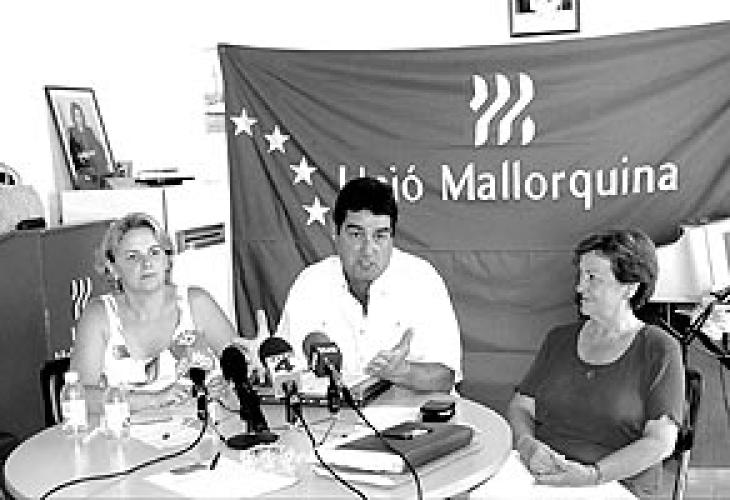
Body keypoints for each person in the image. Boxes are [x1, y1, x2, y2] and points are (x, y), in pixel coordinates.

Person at [508, 229, 685, 498]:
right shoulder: (559, 339)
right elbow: (521, 407)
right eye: (580, 276)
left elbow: (660, 442)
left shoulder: (659, 349)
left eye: (592, 278)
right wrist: (527, 445)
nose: (580, 287)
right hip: (545, 477)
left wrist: (593, 476)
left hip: (616, 483)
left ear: (630, 287)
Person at [276, 176, 462, 392]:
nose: (368, 250)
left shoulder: (422, 280)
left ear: (392, 237)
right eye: (356, 235)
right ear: (335, 231)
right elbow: (285, 371)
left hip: (409, 412)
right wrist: (261, 368)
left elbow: (445, 377)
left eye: (380, 236)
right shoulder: (311, 284)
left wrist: (404, 372)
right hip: (334, 413)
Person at [71, 212, 238, 411]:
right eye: (133, 256)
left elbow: (243, 368)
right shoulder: (99, 314)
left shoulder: (196, 302)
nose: (146, 263)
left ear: (167, 260)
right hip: (125, 429)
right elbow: (78, 395)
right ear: (113, 268)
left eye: (154, 252)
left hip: (202, 426)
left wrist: (227, 387)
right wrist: (154, 399)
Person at [67, 101, 110, 186]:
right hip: (84, 163)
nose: (79, 118)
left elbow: (97, 146)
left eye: (80, 115)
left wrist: (91, 153)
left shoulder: (88, 130)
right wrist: (85, 154)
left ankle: (102, 178)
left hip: (93, 158)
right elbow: (74, 153)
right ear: (73, 118)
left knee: (99, 157)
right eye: (76, 116)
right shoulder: (72, 132)